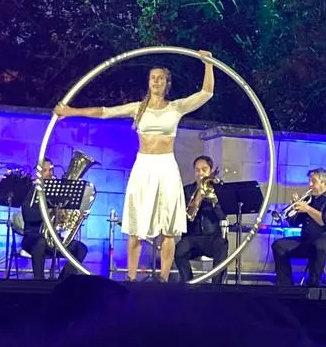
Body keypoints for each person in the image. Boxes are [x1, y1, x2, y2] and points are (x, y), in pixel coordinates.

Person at [54, 50, 215, 282]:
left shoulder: (176, 108)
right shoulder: (138, 108)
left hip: (166, 166)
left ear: (167, 83)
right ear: (149, 83)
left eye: (160, 78)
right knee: (136, 228)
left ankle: (163, 279)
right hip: (144, 167)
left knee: (168, 228)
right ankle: (130, 279)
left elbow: (206, 92)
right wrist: (70, 112)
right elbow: (104, 112)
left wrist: (207, 63)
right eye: (153, 78)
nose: (156, 81)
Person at [271, 168, 326, 287]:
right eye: (309, 181)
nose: (310, 185)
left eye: (313, 181)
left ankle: (312, 285)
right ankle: (286, 286)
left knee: (319, 246)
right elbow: (294, 223)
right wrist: (294, 207)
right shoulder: (309, 201)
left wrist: (307, 209)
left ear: (324, 183)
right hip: (308, 240)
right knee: (278, 246)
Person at [19, 158, 90, 280]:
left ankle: (63, 281)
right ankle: (39, 283)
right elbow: (28, 215)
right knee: (40, 242)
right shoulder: (30, 190)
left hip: (54, 239)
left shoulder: (58, 192)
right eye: (46, 170)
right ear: (38, 173)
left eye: (51, 170)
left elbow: (63, 219)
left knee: (81, 248)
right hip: (32, 237)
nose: (50, 173)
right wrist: (49, 211)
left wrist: (75, 215)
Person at [174, 154, 228, 284]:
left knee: (222, 246)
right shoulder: (187, 190)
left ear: (210, 171)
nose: (200, 173)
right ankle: (188, 283)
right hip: (191, 237)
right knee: (179, 251)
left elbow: (222, 216)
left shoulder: (218, 190)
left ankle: (216, 287)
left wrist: (214, 201)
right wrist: (197, 198)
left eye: (204, 170)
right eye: (197, 170)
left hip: (211, 238)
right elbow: (185, 217)